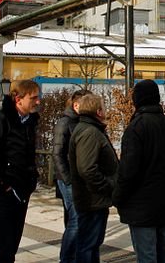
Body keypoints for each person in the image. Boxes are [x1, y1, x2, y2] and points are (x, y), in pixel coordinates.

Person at [113, 79, 165, 263]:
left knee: (147, 257)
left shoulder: (136, 128)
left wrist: (117, 198)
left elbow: (128, 171)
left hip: (141, 208)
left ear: (137, 101)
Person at [0, 79, 40, 262]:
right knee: (4, 248)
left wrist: (30, 181)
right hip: (0, 193)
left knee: (11, 246)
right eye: (33, 97)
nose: (38, 101)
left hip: (21, 192)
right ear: (18, 99)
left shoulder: (29, 122)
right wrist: (3, 185)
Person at [69, 94, 118, 263]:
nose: (106, 110)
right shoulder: (89, 132)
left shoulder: (89, 129)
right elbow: (87, 169)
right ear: (98, 111)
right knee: (88, 244)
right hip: (92, 200)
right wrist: (108, 185)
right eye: (104, 107)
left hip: (94, 199)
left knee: (92, 244)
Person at [53, 89, 91, 263]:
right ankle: (67, 258)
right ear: (76, 105)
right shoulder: (65, 122)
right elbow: (57, 153)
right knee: (76, 219)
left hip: (81, 179)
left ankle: (75, 254)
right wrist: (68, 180)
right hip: (69, 180)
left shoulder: (83, 122)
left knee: (74, 219)